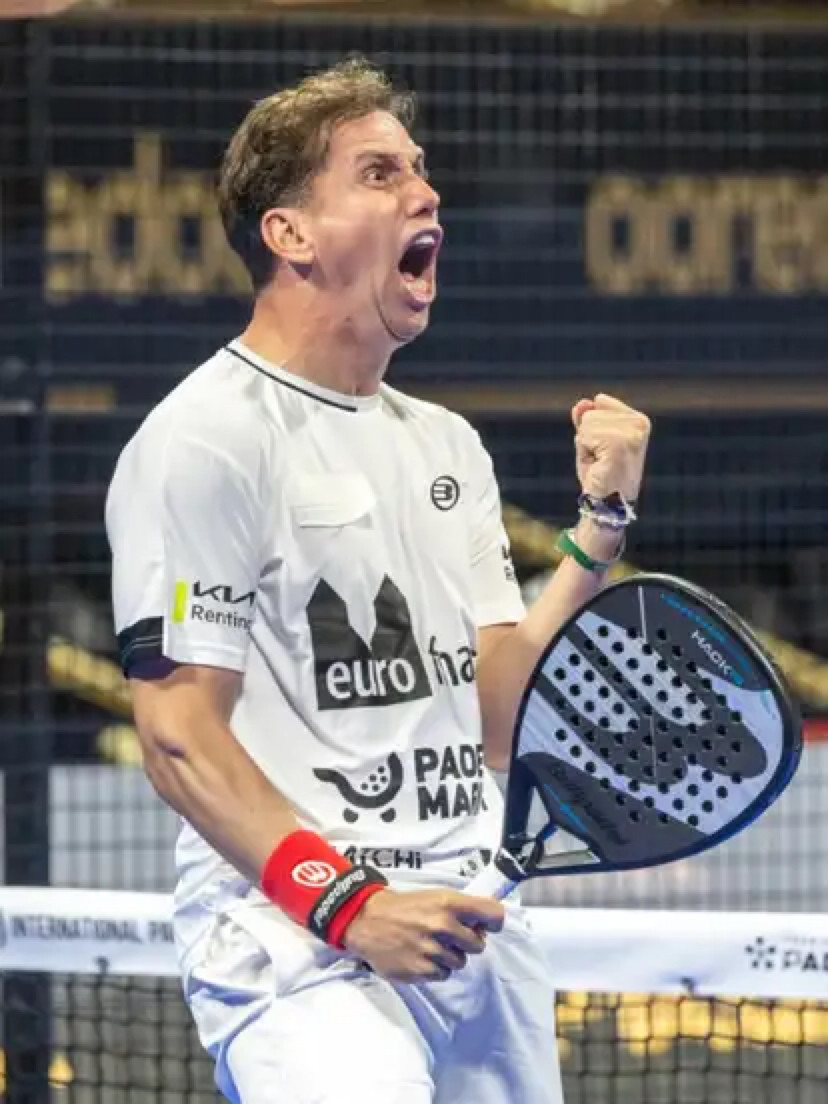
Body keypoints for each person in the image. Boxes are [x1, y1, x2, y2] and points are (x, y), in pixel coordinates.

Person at [105, 57, 650, 1104]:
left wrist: (598, 530)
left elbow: (496, 721)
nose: (426, 192)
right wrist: (350, 906)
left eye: (421, 168)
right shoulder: (206, 439)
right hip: (299, 941)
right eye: (379, 172)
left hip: (471, 923)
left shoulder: (446, 446)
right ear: (291, 234)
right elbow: (177, 737)